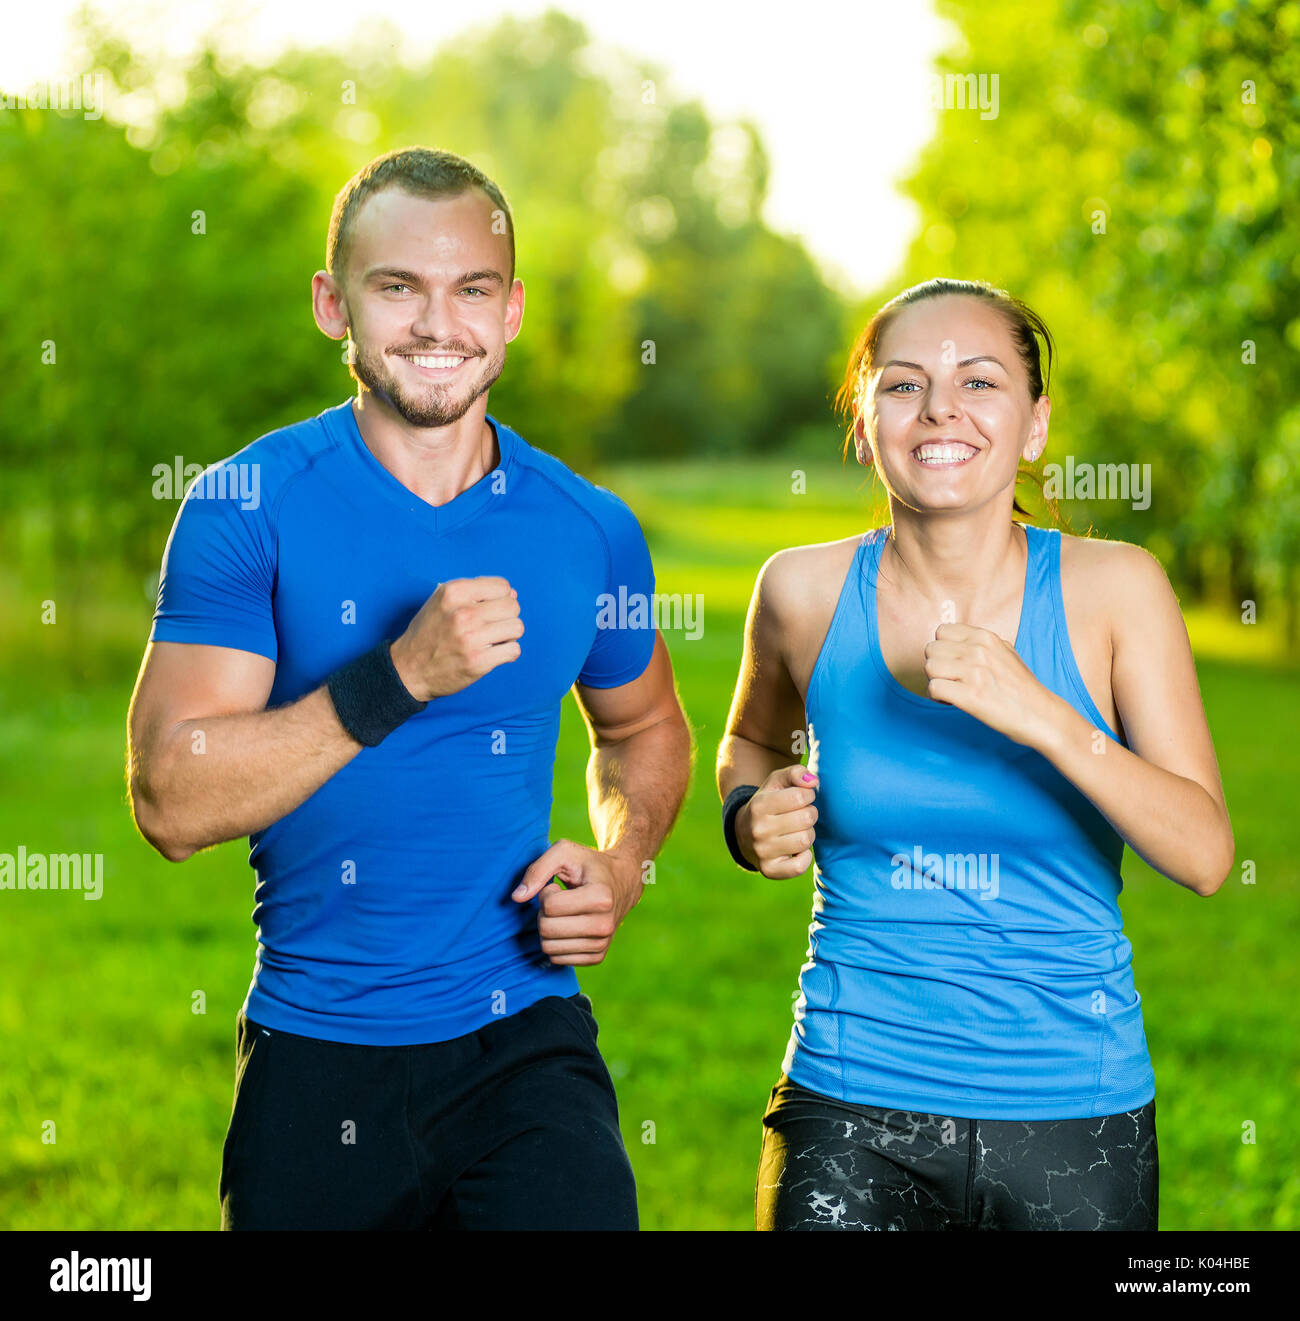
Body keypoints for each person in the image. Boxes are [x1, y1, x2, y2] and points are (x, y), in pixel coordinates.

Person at [126, 146, 692, 1230]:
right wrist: (396, 677)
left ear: (512, 308)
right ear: (332, 304)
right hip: (319, 1047)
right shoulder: (246, 505)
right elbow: (170, 802)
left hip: (525, 1042)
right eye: (399, 288)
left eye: (471, 288)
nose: (440, 323)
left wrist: (620, 862)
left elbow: (645, 725)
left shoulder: (589, 528)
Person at [717, 277, 1234, 1231]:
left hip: (1076, 1108)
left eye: (980, 382)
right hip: (848, 1095)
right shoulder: (799, 591)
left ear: (1035, 426)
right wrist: (748, 815)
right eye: (904, 385)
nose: (941, 408)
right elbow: (749, 740)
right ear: (866, 426)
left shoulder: (1117, 589)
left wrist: (1043, 713)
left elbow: (1205, 854)